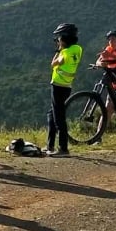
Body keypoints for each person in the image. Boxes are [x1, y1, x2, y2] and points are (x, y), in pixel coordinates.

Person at [46, 23, 83, 156]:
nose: (58, 40)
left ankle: (63, 148)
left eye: (60, 38)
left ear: (65, 39)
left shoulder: (65, 52)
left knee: (59, 117)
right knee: (52, 114)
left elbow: (54, 63)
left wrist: (58, 51)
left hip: (58, 86)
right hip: (67, 86)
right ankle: (49, 145)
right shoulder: (77, 49)